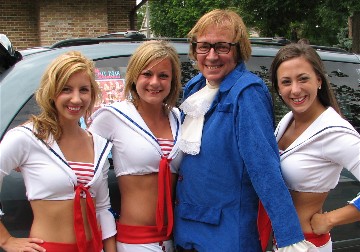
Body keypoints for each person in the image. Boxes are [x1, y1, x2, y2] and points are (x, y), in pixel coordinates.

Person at [174, 9, 315, 252]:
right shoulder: (194, 87)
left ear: (238, 50)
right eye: (203, 46)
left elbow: (264, 168)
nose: (211, 56)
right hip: (186, 229)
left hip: (226, 236)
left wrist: (289, 238)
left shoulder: (247, 93)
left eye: (222, 47)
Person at [0, 51, 116, 252]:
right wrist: (5, 240)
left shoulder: (97, 144)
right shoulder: (27, 137)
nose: (76, 99)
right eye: (66, 89)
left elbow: (102, 209)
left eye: (84, 90)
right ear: (51, 91)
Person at [89, 40, 183, 252]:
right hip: (135, 242)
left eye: (163, 75)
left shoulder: (179, 118)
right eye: (147, 74)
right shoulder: (112, 116)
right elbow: (76, 148)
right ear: (134, 77)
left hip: (178, 239)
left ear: (172, 80)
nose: (155, 82)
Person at [270, 42, 360, 251]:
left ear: (318, 80)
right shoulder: (288, 120)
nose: (295, 89)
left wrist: (330, 219)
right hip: (282, 241)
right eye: (286, 82)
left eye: (303, 79)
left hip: (307, 244)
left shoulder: (335, 131)